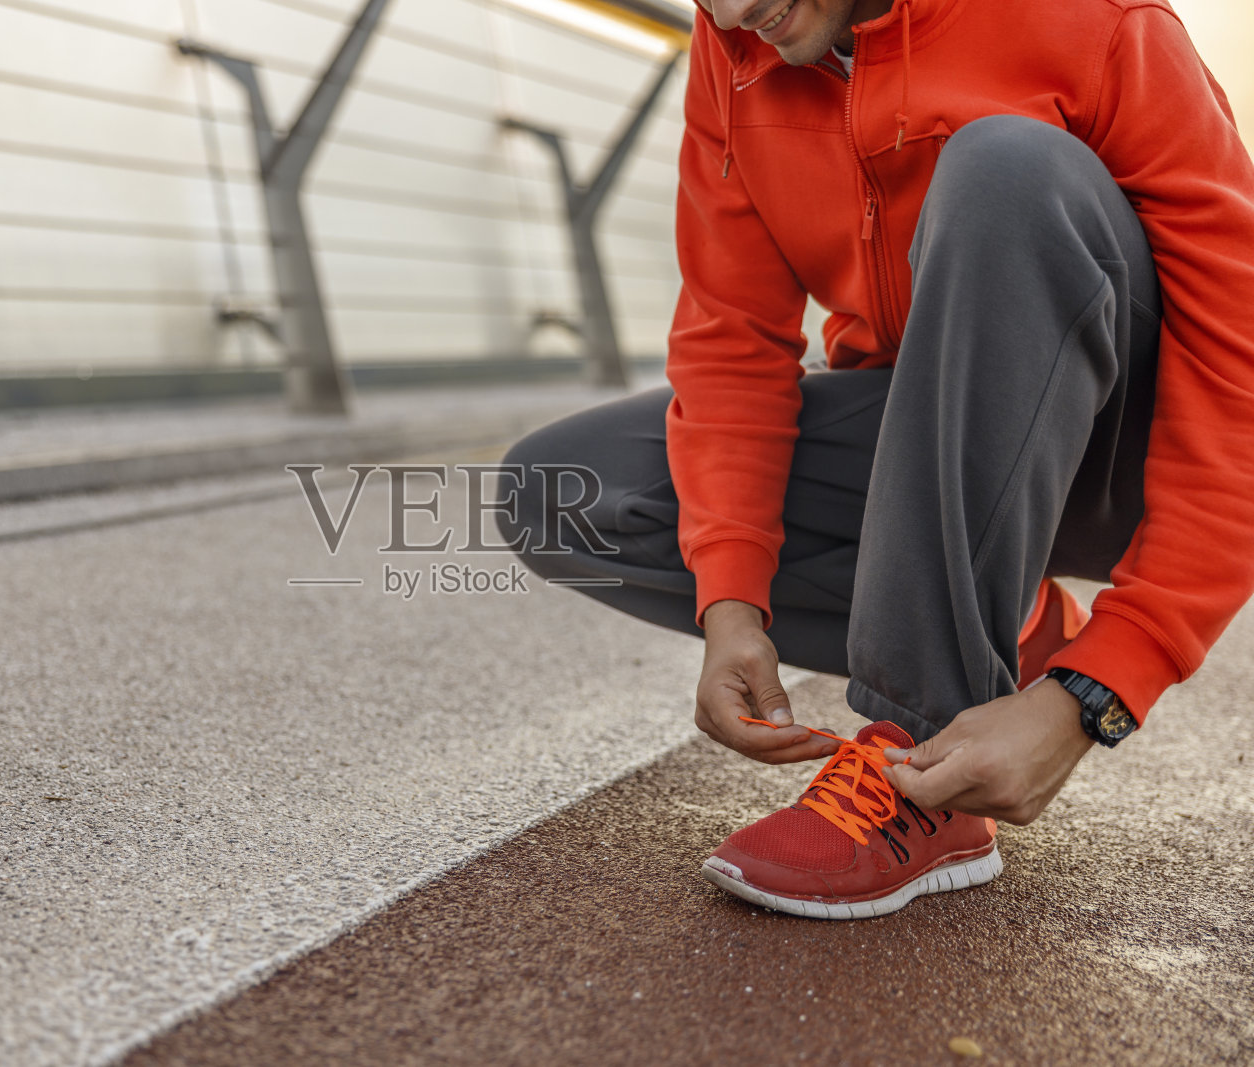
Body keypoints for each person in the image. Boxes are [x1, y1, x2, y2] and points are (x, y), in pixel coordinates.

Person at [499, 0, 1254, 918]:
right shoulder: (736, 38)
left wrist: (1098, 688)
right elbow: (732, 342)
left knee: (1007, 165)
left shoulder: (1093, 19)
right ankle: (1012, 625)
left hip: (1120, 455)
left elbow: (1237, 365)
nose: (735, 9)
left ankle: (919, 750)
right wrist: (731, 605)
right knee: (559, 494)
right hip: (929, 438)